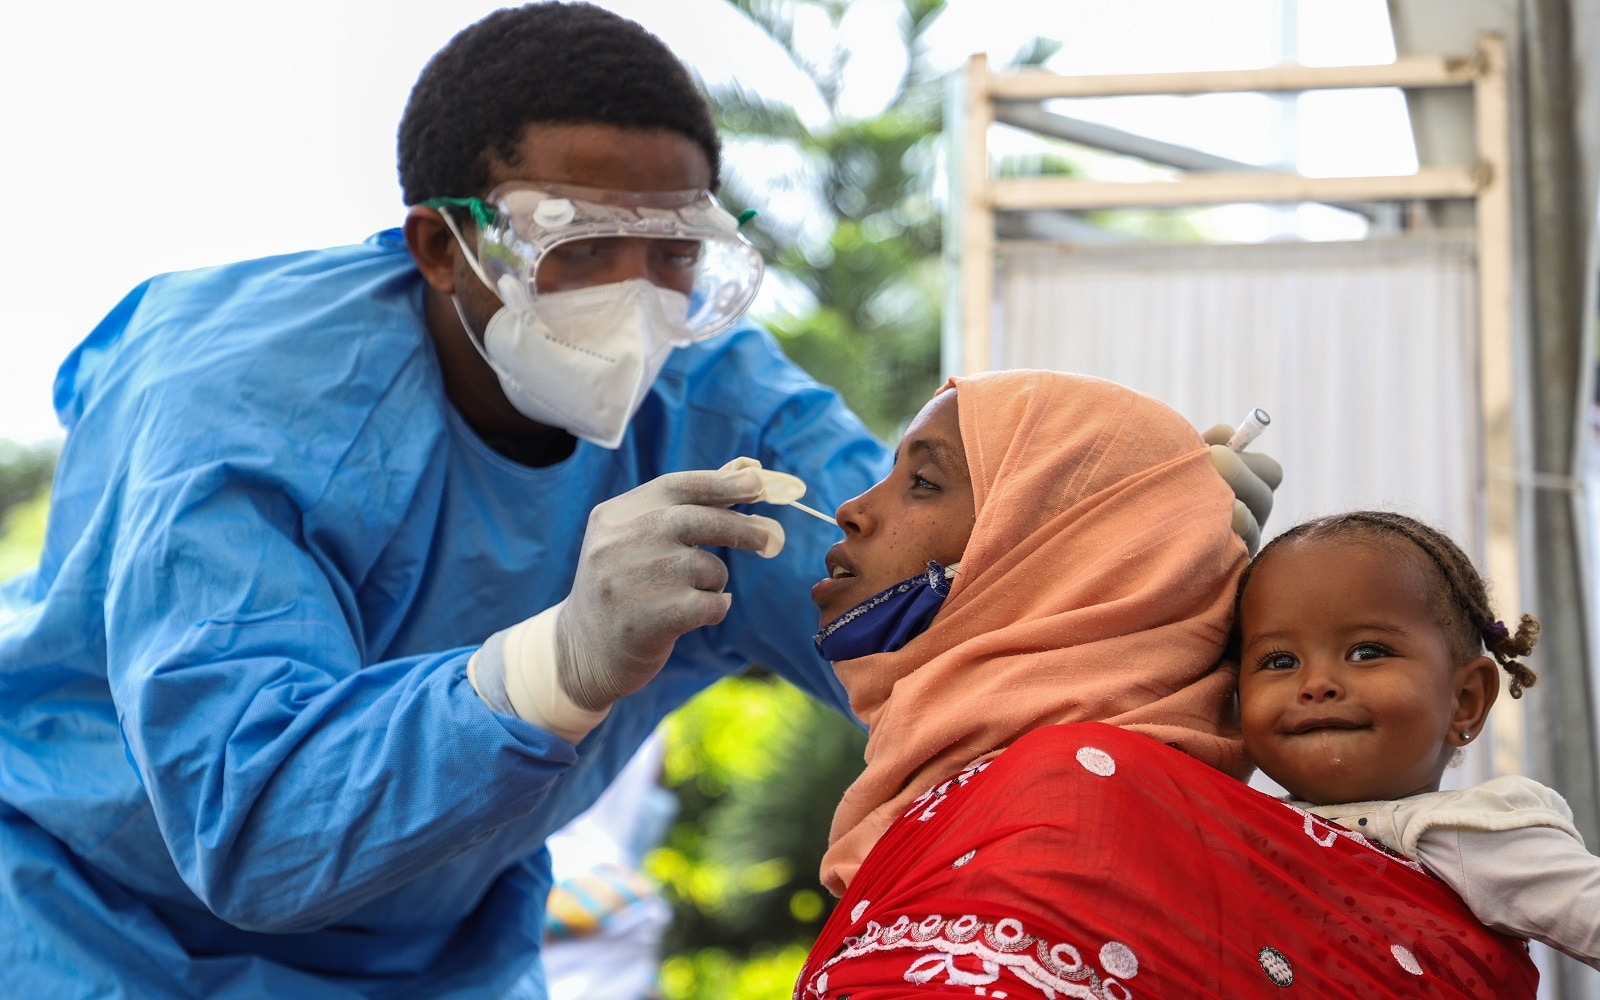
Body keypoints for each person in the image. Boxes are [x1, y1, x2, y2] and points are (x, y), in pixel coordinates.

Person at [0, 5, 1278, 996]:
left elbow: (964, 620)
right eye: (576, 248)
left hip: (444, 943)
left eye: (677, 250)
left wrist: (1127, 550)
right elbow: (258, 830)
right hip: (98, 930)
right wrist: (549, 664)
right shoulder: (230, 402)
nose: (638, 299)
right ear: (440, 245)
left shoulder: (716, 403)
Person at [796, 370, 1538, 998]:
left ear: (1065, 556)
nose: (851, 509)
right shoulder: (959, 804)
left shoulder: (1067, 796)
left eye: (923, 481)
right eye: (1280, 661)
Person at [1234, 510, 1600, 971]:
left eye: (1367, 652)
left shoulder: (1465, 831)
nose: (1317, 683)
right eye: (1280, 661)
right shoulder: (1234, 818)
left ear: (1464, 699)